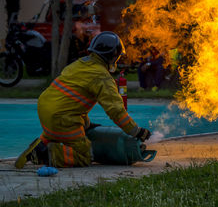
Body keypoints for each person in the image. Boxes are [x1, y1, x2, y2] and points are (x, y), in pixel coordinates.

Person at [15, 31, 151, 168]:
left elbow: (72, 100)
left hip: (45, 109)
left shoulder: (79, 64)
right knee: (85, 156)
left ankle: (39, 145)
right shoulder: (102, 77)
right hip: (62, 118)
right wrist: (136, 131)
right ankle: (45, 154)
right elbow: (116, 111)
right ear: (113, 56)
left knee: (55, 132)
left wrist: (87, 124)